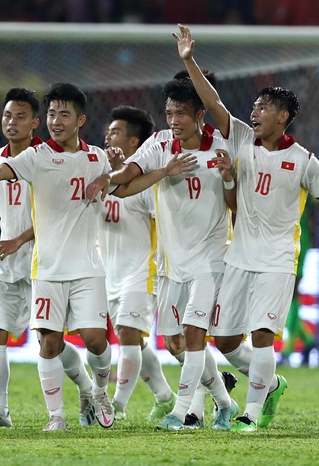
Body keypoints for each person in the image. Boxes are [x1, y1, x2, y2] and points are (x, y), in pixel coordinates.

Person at [173, 23, 319, 432]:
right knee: (227, 341)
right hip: (239, 256)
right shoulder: (242, 140)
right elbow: (213, 105)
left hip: (279, 260)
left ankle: (249, 413)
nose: (254, 113)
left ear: (282, 116)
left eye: (263, 108)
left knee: (263, 334)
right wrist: (189, 60)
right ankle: (272, 385)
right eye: (254, 107)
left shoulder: (304, 160)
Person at [0, 86, 107, 432]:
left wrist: (19, 239)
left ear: (35, 123)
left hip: (40, 260)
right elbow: (3, 189)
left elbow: (55, 216)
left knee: (52, 342)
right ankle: (0, 411)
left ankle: (88, 389)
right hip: (6, 261)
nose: (11, 122)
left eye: (19, 116)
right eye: (6, 115)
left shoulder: (44, 157)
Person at [87, 77, 238, 431]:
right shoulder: (159, 143)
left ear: (200, 114)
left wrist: (230, 178)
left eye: (181, 113)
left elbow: (234, 204)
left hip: (209, 258)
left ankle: (182, 412)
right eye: (169, 112)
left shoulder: (222, 147)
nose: (173, 120)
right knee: (174, 342)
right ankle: (225, 403)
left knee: (194, 333)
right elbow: (128, 176)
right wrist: (111, 177)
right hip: (172, 263)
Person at [100, 105, 177, 422]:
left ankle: (116, 406)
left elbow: (170, 223)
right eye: (108, 131)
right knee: (133, 339)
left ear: (134, 143)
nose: (108, 136)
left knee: (129, 335)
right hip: (111, 274)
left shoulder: (146, 183)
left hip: (143, 272)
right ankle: (165, 396)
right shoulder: (103, 178)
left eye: (115, 132)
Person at [280, 201, 319, 366]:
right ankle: (307, 340)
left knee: (290, 291)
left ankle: (287, 351)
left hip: (297, 240)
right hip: (272, 239)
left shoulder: (303, 176)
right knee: (280, 295)